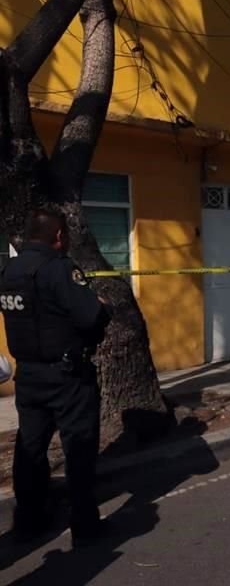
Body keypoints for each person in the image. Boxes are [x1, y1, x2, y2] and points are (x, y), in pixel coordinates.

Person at [0, 209, 111, 546]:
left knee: (30, 448)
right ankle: (85, 526)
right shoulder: (60, 269)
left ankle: (29, 519)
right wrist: (102, 305)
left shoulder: (9, 270)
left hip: (29, 376)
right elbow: (90, 317)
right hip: (67, 375)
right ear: (59, 236)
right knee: (78, 448)